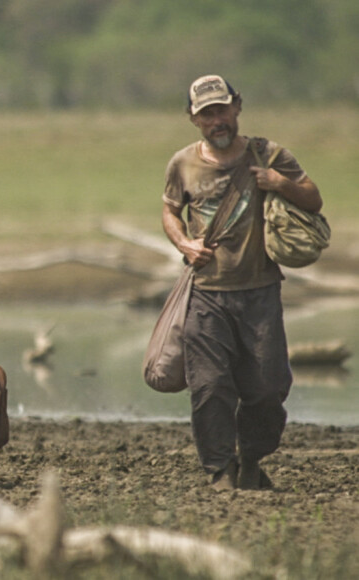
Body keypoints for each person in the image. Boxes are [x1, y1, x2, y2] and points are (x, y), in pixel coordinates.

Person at [161, 75, 322, 490]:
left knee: (268, 388)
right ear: (193, 119)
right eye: (207, 114)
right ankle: (220, 470)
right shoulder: (182, 163)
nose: (217, 120)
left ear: (237, 107)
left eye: (222, 110)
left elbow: (313, 199)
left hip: (261, 291)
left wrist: (279, 184)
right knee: (210, 387)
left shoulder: (269, 154)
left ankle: (251, 459)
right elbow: (169, 212)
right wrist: (185, 243)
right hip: (206, 295)